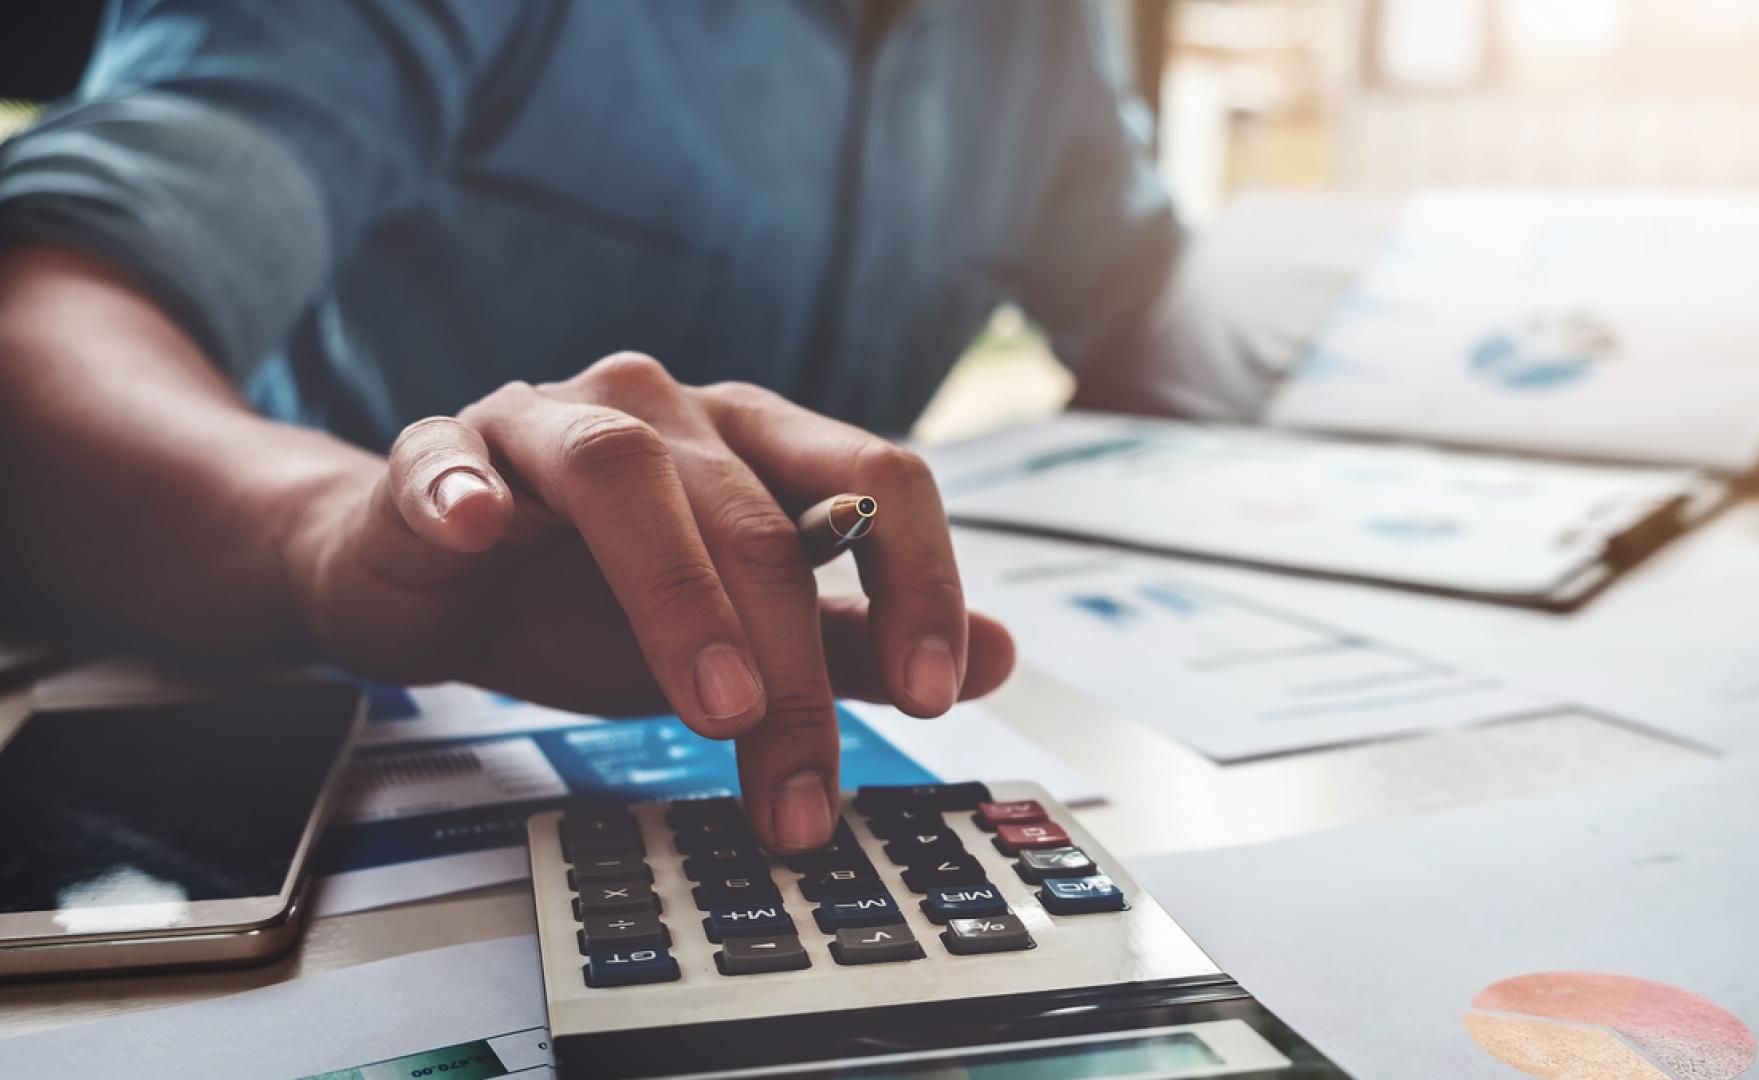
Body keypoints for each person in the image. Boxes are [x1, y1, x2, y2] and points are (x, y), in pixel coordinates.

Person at [0, 2, 1263, 852]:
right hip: (301, 740)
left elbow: (1144, 313)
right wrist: (320, 530)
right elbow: (42, 307)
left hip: (770, 744)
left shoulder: (1032, 30)